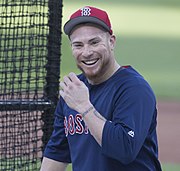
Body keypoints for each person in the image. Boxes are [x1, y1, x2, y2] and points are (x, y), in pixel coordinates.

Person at [40, 6, 162, 171]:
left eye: (94, 42)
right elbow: (56, 153)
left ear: (111, 42)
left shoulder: (134, 89)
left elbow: (124, 149)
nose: (87, 52)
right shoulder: (72, 90)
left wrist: (84, 107)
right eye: (78, 45)